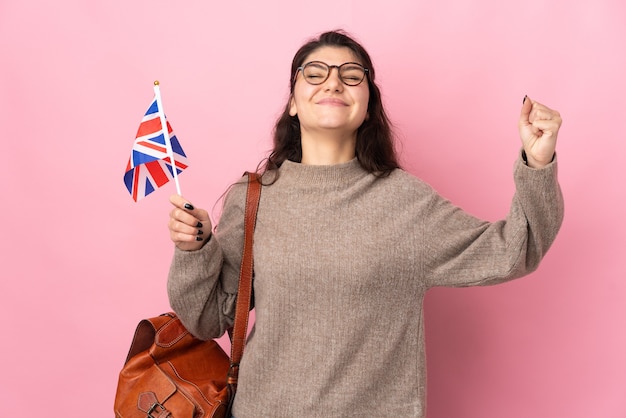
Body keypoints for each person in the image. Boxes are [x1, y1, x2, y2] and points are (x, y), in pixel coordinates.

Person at [166, 30, 564, 417]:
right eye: (315, 72)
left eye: (351, 75)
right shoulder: (252, 198)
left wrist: (538, 163)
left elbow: (516, 247)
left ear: (369, 103)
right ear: (292, 102)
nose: (334, 82)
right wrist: (194, 250)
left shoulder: (406, 201)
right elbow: (208, 320)